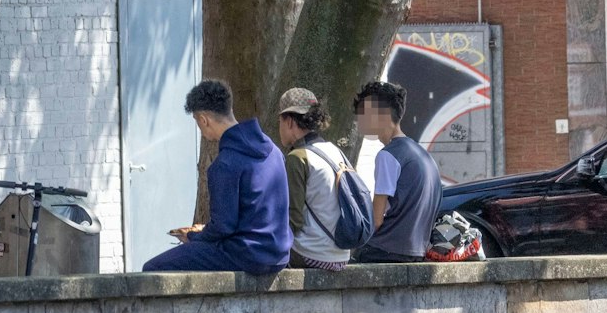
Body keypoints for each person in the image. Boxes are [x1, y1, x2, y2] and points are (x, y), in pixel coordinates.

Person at [143, 79, 290, 274]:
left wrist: (193, 237)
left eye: (197, 121)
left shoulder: (225, 164)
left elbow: (223, 227)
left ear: (203, 119)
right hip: (279, 254)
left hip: (247, 254)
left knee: (153, 268)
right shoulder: (274, 151)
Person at [351, 80, 442, 264]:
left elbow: (375, 220)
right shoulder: (423, 155)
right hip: (418, 252)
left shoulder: (388, 155)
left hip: (384, 251)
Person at [275, 87, 363, 271]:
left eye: (280, 121)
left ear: (289, 121)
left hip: (312, 255)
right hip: (341, 255)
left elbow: (293, 220)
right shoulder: (334, 150)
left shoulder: (297, 157)